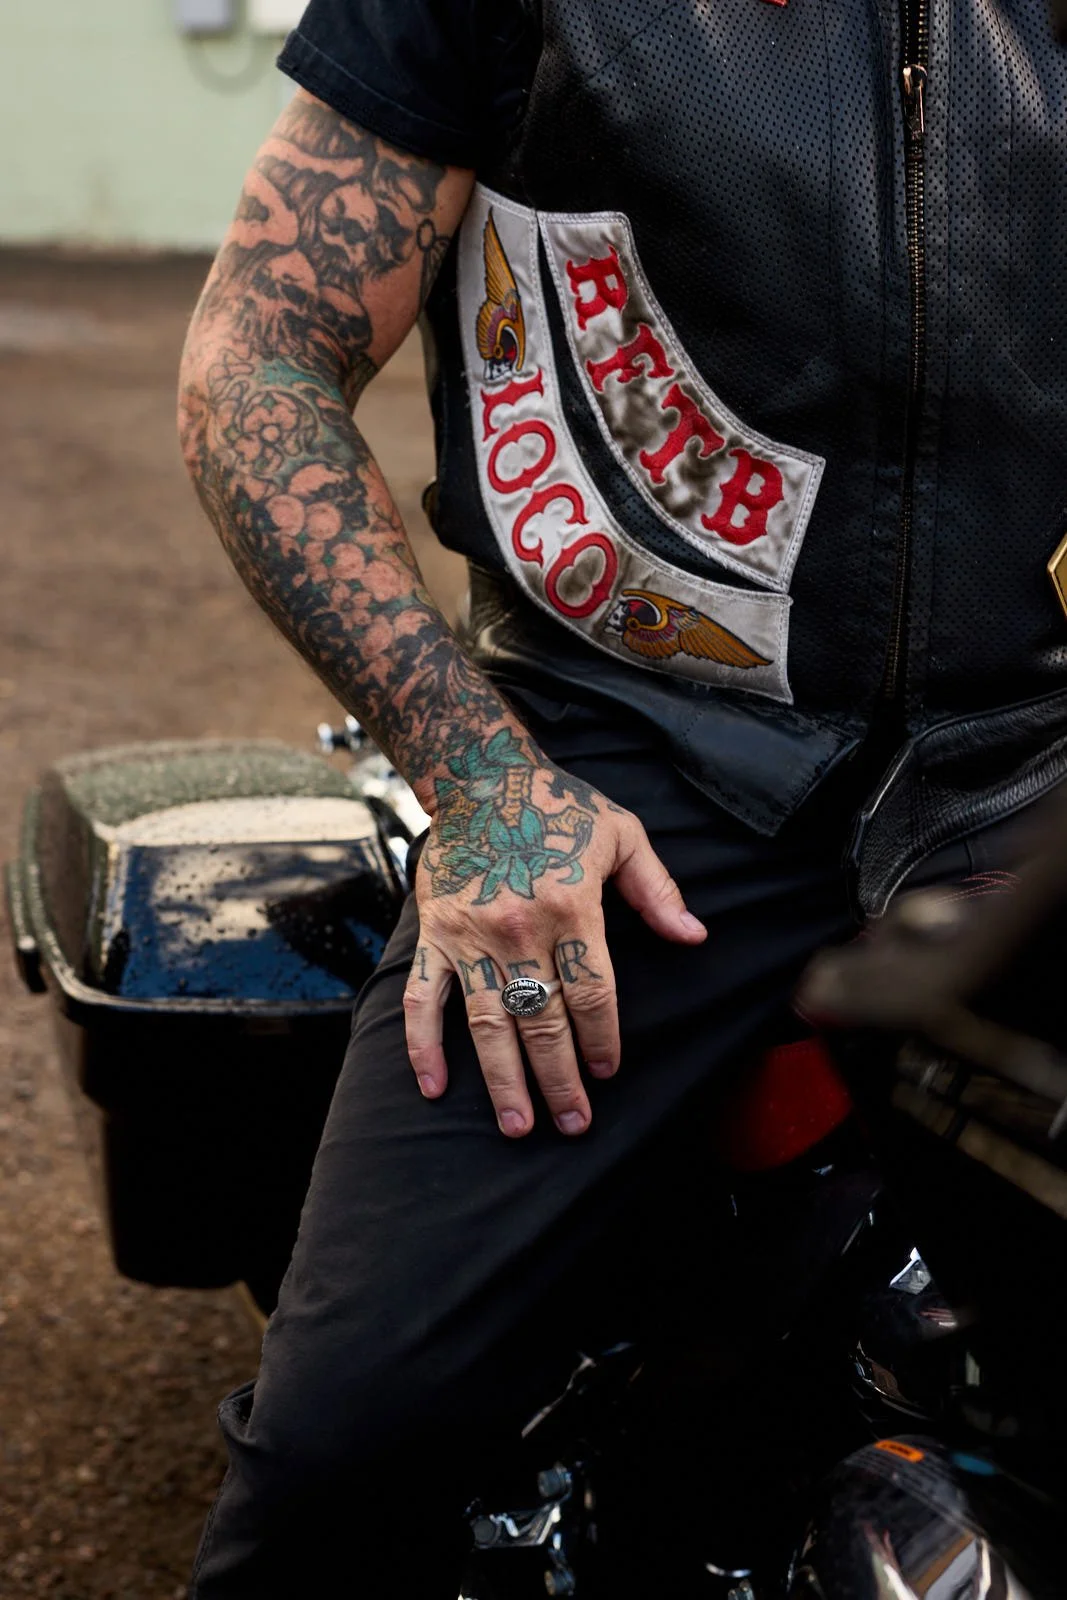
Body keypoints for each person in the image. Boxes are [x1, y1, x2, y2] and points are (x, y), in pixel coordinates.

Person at [177, 0, 1067, 1592]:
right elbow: (259, 361)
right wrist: (482, 778)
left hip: (1031, 762)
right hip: (630, 762)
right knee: (348, 1452)